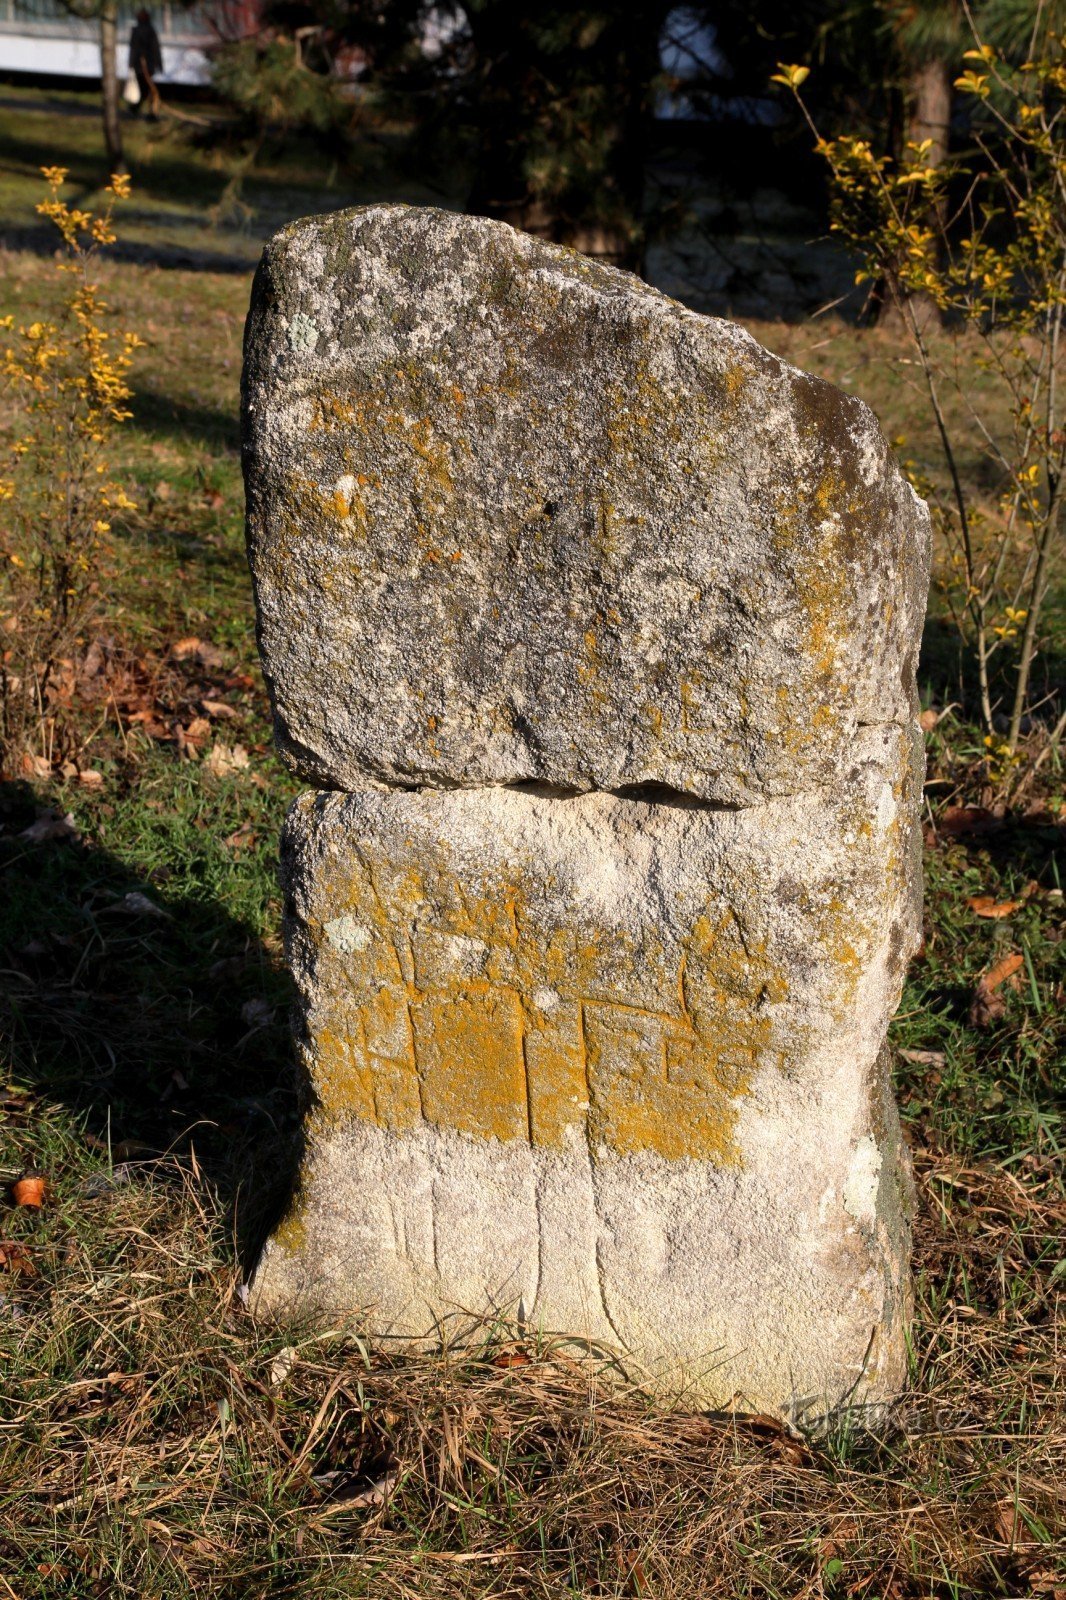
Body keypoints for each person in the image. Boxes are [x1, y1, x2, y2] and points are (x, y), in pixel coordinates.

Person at [128, 9, 163, 120]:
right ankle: (141, 110)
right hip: (143, 65)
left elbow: (155, 48)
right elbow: (135, 48)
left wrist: (131, 63)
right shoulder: (142, 30)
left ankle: (146, 111)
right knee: (145, 89)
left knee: (147, 89)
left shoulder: (146, 30)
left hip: (145, 65)